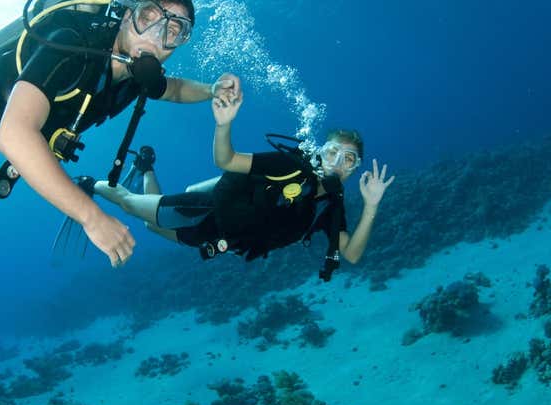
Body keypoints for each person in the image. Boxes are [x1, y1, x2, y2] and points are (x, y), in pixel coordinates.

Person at [0, 0, 242, 267]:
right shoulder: (73, 45)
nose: (157, 37)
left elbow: (172, 88)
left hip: (18, 125)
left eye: (175, 31)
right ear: (126, 15)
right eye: (150, 17)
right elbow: (14, 135)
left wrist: (212, 89)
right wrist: (91, 217)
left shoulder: (139, 71)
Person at [90, 90, 395, 281]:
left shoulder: (330, 206)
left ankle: (145, 167)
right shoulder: (288, 166)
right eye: (332, 152)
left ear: (355, 169)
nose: (337, 162)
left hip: (217, 239)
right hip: (204, 212)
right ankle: (90, 185)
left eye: (349, 159)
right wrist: (224, 123)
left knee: (149, 226)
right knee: (131, 204)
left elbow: (352, 254)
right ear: (320, 151)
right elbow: (227, 160)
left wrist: (371, 205)